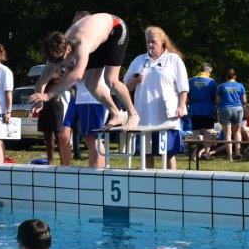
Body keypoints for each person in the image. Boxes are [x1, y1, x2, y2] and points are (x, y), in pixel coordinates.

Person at [29, 13, 138, 130]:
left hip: (115, 28)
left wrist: (48, 95)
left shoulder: (82, 44)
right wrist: (39, 100)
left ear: (68, 49)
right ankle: (117, 114)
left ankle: (133, 115)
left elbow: (77, 75)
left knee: (111, 80)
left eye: (62, 60)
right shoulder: (54, 55)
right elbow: (42, 81)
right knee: (90, 83)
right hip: (98, 37)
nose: (61, 64)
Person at [122, 26, 189, 169]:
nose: (150, 45)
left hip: (167, 116)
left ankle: (172, 185)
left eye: (153, 41)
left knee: (168, 153)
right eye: (147, 42)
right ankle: (148, 186)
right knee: (146, 154)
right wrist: (135, 81)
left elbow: (183, 87)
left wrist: (181, 106)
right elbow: (124, 86)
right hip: (144, 116)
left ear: (162, 41)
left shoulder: (173, 59)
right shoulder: (139, 60)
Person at [215, 69, 246, 160]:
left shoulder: (221, 86)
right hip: (237, 109)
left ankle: (230, 157)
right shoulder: (240, 86)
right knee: (237, 132)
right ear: (234, 76)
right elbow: (244, 100)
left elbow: (217, 101)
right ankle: (238, 152)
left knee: (227, 134)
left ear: (226, 77)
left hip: (225, 109)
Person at [187, 63, 218, 137]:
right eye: (210, 72)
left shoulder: (190, 81)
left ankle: (195, 147)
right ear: (208, 71)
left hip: (194, 109)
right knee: (207, 131)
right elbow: (215, 97)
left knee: (195, 131)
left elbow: (187, 96)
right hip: (208, 110)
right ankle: (206, 149)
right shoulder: (212, 82)